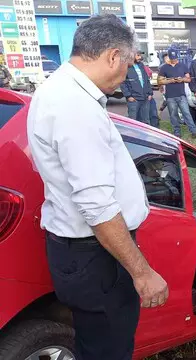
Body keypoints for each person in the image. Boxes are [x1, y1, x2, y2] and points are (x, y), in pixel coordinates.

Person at [26, 15, 168, 360]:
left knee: (99, 344)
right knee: (109, 349)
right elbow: (97, 204)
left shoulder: (58, 90)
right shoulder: (75, 106)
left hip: (85, 252)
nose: (127, 73)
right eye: (129, 62)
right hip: (97, 255)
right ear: (113, 57)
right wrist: (142, 271)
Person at [158, 49, 196, 138]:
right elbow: (160, 81)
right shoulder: (164, 67)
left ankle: (194, 131)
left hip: (181, 94)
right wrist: (170, 80)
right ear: (169, 57)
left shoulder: (182, 66)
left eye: (175, 58)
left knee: (186, 113)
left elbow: (188, 79)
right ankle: (177, 132)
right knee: (173, 114)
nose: (174, 60)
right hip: (170, 96)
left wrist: (182, 79)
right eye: (172, 58)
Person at [121, 50, 153, 125]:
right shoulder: (126, 66)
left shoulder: (141, 65)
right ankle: (133, 136)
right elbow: (122, 82)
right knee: (133, 122)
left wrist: (150, 93)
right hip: (134, 99)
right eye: (138, 55)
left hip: (145, 98)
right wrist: (128, 96)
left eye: (140, 55)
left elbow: (146, 79)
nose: (140, 57)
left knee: (145, 121)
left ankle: (146, 136)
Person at [142, 63, 160, 127]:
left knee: (153, 114)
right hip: (139, 97)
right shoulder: (130, 69)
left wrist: (150, 93)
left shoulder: (144, 67)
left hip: (148, 96)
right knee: (143, 116)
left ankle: (155, 129)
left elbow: (148, 82)